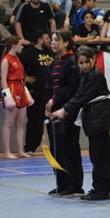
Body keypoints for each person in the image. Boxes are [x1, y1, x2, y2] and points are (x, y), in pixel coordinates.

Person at [50, 45, 110, 201]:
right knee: (95, 155)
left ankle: (102, 190)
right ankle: (98, 187)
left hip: (100, 115)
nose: (84, 65)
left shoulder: (95, 76)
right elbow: (79, 95)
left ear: (93, 60)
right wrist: (64, 111)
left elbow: (82, 96)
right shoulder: (85, 74)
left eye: (87, 62)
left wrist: (64, 110)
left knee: (100, 156)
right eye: (81, 63)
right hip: (92, 116)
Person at [45, 29, 84, 196]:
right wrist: (48, 105)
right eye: (52, 39)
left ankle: (74, 184)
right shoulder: (55, 62)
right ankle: (61, 182)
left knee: (69, 148)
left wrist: (55, 100)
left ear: (66, 43)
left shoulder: (72, 63)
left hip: (68, 110)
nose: (53, 43)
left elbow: (72, 88)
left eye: (57, 40)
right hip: (54, 110)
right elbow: (51, 86)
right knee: (56, 148)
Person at [0, 36, 33, 159]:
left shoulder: (17, 58)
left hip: (20, 87)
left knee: (20, 123)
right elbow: (3, 79)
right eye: (20, 44)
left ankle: (20, 150)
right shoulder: (6, 60)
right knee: (8, 122)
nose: (22, 46)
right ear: (14, 45)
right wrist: (7, 96)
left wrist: (25, 92)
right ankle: (7, 151)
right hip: (11, 88)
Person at [21, 32, 54, 153]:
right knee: (35, 120)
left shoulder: (51, 52)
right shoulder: (28, 53)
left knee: (53, 120)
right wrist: (24, 78)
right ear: (40, 40)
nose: (49, 41)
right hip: (35, 92)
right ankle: (30, 147)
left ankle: (55, 147)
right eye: (46, 38)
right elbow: (18, 68)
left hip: (50, 92)